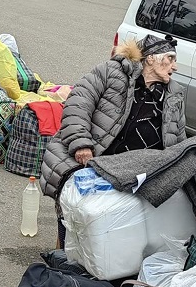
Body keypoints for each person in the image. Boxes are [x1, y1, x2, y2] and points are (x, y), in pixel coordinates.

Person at [41, 36, 186, 245]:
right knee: (74, 214)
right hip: (97, 158)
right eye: (170, 59)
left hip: (139, 172)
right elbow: (78, 104)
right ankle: (62, 253)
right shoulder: (111, 72)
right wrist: (81, 143)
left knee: (120, 228)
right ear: (151, 59)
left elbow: (178, 139)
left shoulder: (173, 95)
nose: (175, 67)